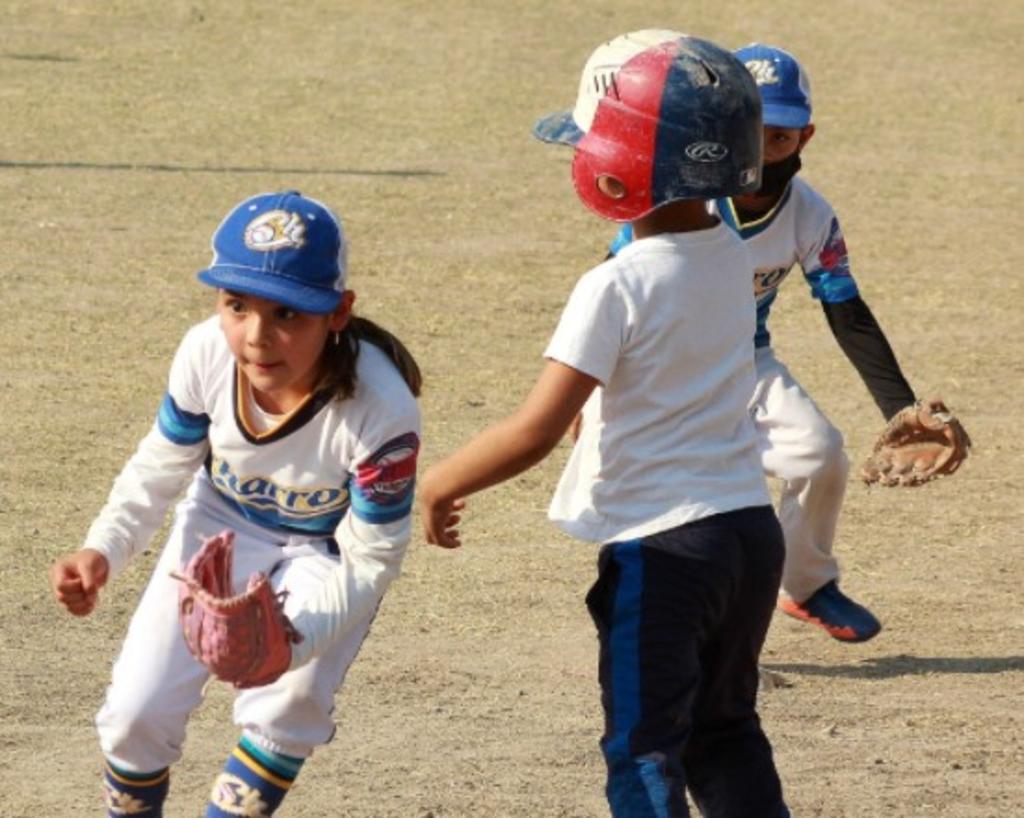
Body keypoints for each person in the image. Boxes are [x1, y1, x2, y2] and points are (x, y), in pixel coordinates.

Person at [421, 34, 790, 818]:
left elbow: (536, 427)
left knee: (644, 750)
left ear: (620, 163)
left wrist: (440, 482)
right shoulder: (731, 251)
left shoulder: (615, 285)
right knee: (726, 733)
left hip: (665, 554)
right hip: (749, 535)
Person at [48, 190, 422, 818]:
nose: (257, 337)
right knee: (135, 715)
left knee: (287, 704)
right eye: (236, 305)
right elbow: (162, 463)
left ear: (337, 312)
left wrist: (290, 643)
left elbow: (372, 556)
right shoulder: (205, 353)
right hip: (220, 526)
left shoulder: (381, 408)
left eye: (288, 313)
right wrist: (103, 547)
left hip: (326, 552)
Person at [605, 43, 919, 643]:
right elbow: (614, 288)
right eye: (752, 133)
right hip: (656, 367)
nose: (765, 150)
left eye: (781, 137)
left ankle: (805, 586)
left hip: (743, 358)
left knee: (820, 453)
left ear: (806, 136)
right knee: (688, 502)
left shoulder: (809, 214)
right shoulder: (681, 197)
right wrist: (595, 388)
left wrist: (899, 407)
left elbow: (845, 310)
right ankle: (669, 635)